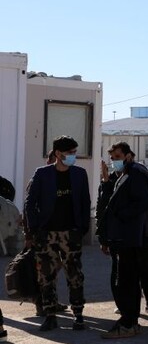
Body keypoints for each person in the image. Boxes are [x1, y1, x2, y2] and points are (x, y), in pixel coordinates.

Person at [98, 142, 148, 338]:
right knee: (131, 278)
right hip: (127, 236)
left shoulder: (136, 174)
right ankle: (140, 316)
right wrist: (105, 183)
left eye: (117, 157)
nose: (114, 161)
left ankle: (134, 319)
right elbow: (105, 205)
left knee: (134, 278)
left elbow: (146, 204)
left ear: (129, 156)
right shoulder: (119, 176)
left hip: (136, 236)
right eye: (112, 158)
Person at [23, 135, 91, 332]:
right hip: (47, 233)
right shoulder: (42, 174)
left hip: (71, 232)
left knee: (75, 274)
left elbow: (85, 202)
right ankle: (50, 315)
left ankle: (78, 314)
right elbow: (30, 202)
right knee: (46, 275)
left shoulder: (79, 174)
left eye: (74, 152)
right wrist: (34, 229)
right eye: (70, 153)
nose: (73, 156)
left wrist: (82, 228)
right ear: (58, 154)